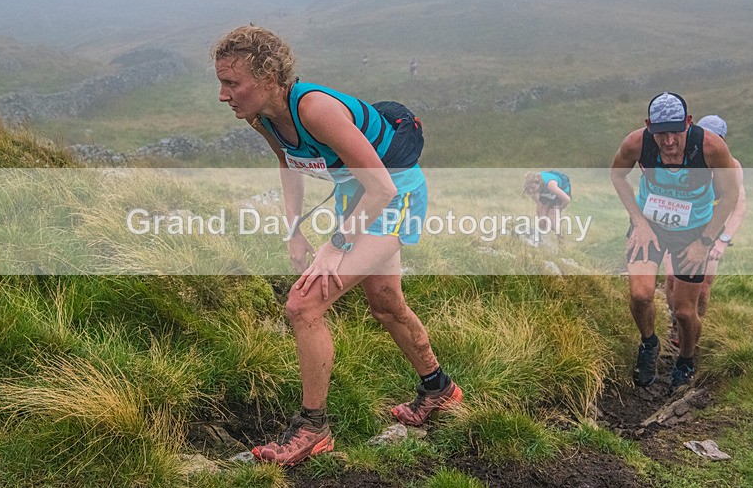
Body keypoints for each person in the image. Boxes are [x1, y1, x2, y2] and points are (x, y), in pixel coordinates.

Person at [210, 25, 462, 465]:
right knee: (384, 301)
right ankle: (439, 389)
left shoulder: (316, 109)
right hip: (358, 195)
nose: (223, 94)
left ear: (269, 78)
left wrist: (336, 243)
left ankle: (312, 429)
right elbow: (288, 163)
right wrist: (294, 230)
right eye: (221, 82)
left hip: (393, 195)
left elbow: (382, 188)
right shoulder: (262, 115)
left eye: (232, 83)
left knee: (303, 304)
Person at [611, 92, 739, 394]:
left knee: (684, 311)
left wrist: (705, 241)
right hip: (650, 225)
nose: (668, 141)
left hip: (694, 231)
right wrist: (639, 222)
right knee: (641, 294)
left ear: (689, 122)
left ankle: (685, 360)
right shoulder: (636, 143)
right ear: (648, 126)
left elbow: (730, 196)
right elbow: (618, 176)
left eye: (675, 131)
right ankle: (649, 343)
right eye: (660, 133)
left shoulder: (710, 147)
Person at [664, 115, 746, 346]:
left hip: (712, 232)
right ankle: (676, 320)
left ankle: (692, 326)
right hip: (681, 229)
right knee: (672, 278)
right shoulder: (684, 160)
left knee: (704, 284)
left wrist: (722, 241)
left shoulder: (732, 166)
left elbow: (739, 207)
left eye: (715, 137)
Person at [523, 170, 572, 239]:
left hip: (561, 191)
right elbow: (532, 194)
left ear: (539, 183)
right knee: (541, 217)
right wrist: (539, 204)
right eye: (529, 188)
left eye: (533, 188)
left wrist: (559, 208)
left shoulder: (551, 185)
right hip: (547, 192)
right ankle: (542, 239)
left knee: (553, 218)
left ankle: (561, 240)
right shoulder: (530, 186)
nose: (531, 190)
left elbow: (567, 199)